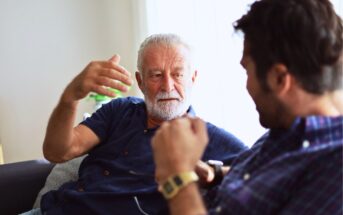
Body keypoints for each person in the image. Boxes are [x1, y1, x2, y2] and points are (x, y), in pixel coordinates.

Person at [151, 0, 343, 214]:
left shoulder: (335, 170)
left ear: (280, 79)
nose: (247, 85)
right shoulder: (287, 127)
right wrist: (216, 173)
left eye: (247, 71)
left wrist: (177, 176)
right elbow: (281, 181)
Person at [35, 34, 246, 214]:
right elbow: (57, 153)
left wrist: (214, 172)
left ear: (193, 78)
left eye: (178, 74)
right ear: (140, 81)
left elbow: (260, 174)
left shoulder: (211, 139)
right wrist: (70, 98)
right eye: (156, 75)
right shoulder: (119, 110)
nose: (167, 85)